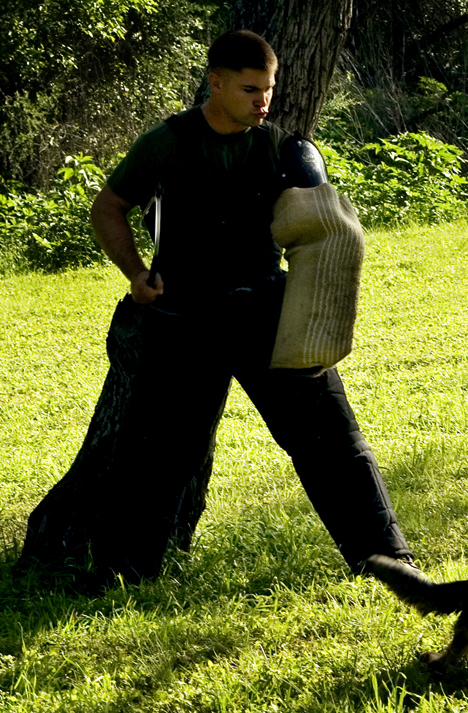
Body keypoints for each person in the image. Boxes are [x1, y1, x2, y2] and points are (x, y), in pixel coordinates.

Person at [85, 29, 412, 583]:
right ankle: (119, 575)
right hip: (182, 318)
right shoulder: (166, 143)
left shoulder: (285, 148)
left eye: (269, 88)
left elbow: (328, 233)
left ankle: (387, 560)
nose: (263, 100)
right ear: (215, 83)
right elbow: (109, 207)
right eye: (249, 88)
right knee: (155, 453)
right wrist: (138, 275)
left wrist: (318, 312)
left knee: (331, 441)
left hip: (267, 313)